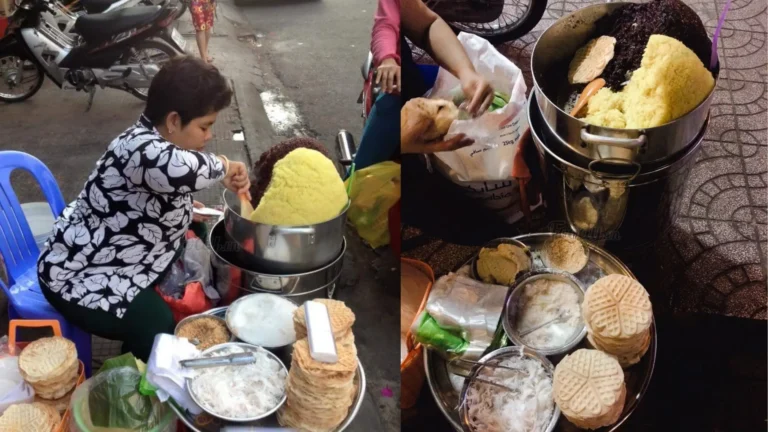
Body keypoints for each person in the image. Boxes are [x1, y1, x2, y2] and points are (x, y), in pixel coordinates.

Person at [37, 57, 250, 362]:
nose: (209, 136)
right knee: (154, 322)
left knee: (197, 229)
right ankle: (141, 376)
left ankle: (140, 346)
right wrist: (226, 167)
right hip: (78, 273)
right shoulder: (141, 148)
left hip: (121, 251)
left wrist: (185, 207)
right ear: (174, 121)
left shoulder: (156, 139)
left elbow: (152, 190)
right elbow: (175, 168)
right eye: (205, 126)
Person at [352, 0, 495, 170]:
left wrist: (466, 72)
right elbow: (386, 23)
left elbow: (427, 24)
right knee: (364, 177)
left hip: (413, 81)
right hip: (394, 92)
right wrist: (402, 144)